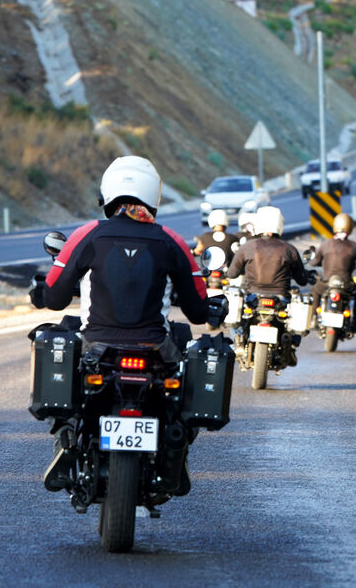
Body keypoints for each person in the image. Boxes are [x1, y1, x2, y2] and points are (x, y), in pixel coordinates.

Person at [28, 155, 224, 490]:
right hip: (155, 348)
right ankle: (176, 449)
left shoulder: (88, 234)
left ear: (107, 192)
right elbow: (197, 310)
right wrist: (211, 308)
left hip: (96, 345)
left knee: (62, 344)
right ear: (154, 194)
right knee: (184, 367)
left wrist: (42, 293)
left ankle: (66, 438)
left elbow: (56, 297)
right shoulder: (172, 241)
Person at [226, 206, 310, 298]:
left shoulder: (247, 247)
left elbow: (232, 274)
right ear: (280, 225)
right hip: (281, 295)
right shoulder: (289, 249)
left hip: (253, 295)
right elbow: (302, 280)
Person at [309, 213, 356, 332]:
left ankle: (313, 318)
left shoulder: (325, 245)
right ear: (350, 227)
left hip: (326, 284)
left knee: (315, 290)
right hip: (346, 285)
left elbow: (314, 262)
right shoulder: (354, 247)